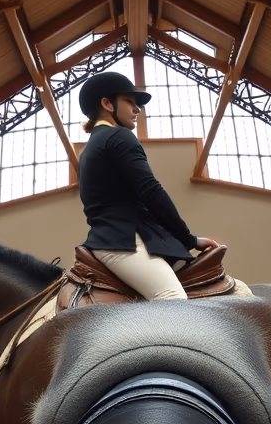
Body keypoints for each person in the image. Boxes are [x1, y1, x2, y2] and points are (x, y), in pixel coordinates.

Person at [75, 71, 219, 301]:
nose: (137, 109)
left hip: (110, 239)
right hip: (124, 242)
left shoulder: (89, 149)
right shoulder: (119, 136)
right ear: (107, 104)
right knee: (173, 299)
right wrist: (188, 239)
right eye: (129, 101)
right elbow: (151, 191)